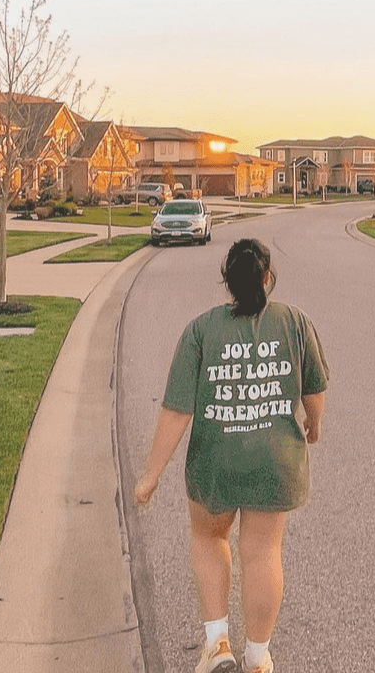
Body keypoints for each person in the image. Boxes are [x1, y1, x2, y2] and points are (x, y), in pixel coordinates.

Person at [134, 237, 329, 673]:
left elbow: (177, 408)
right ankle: (257, 658)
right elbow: (314, 390)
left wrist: (151, 474)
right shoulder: (294, 322)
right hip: (273, 462)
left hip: (215, 461)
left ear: (228, 282)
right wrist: (314, 426)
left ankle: (217, 643)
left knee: (209, 538)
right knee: (262, 552)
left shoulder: (201, 330)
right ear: (267, 278)